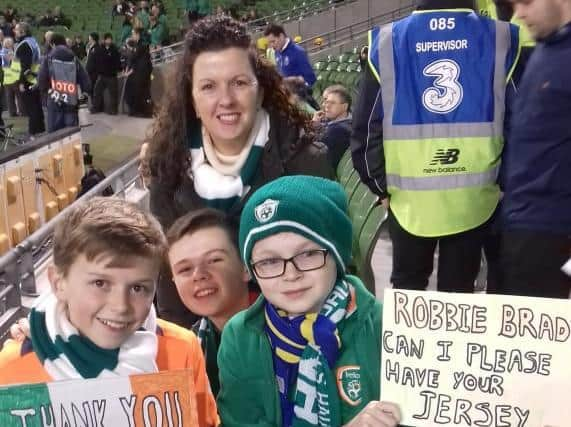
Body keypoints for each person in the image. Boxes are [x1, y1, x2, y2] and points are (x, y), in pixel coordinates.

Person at [143, 16, 332, 327]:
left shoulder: (305, 162)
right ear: (191, 98)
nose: (226, 100)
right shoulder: (168, 170)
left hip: (295, 343)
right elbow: (169, 285)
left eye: (239, 83)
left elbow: (336, 270)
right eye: (208, 87)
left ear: (260, 91)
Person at [0, 197, 219, 427]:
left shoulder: (182, 348)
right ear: (58, 283)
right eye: (100, 283)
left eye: (138, 288)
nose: (120, 306)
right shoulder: (11, 369)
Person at [350, 0, 520, 292]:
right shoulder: (502, 37)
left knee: (408, 292)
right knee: (458, 292)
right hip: (476, 201)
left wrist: (380, 186)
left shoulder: (387, 41)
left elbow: (365, 129)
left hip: (408, 203)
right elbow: (518, 125)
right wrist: (503, 183)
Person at [217, 175, 401, 427]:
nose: (291, 274)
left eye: (308, 254)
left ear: (336, 255)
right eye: (269, 262)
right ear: (252, 270)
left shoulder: (384, 324)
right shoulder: (240, 336)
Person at [498, 0, 571, 298]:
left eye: (526, 1)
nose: (519, 14)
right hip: (526, 233)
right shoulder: (546, 49)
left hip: (554, 234)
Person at [167, 208, 258, 396]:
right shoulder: (187, 348)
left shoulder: (289, 332)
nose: (198, 275)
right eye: (184, 269)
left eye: (214, 260)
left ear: (246, 268)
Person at [38, 33, 91, 132]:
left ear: (52, 44)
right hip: (71, 99)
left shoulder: (48, 58)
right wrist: (85, 93)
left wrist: (47, 93)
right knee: (71, 131)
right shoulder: (74, 58)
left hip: (54, 98)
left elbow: (41, 80)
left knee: (54, 132)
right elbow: (85, 78)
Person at [12, 22, 45, 136]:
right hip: (35, 77)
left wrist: (21, 82)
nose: (14, 31)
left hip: (27, 79)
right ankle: (40, 128)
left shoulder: (24, 44)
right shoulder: (33, 42)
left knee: (31, 106)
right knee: (36, 104)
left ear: (23, 31)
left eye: (16, 29)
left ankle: (33, 130)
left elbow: (24, 65)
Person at [264, 23, 316, 88]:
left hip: (300, 95)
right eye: (269, 43)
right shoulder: (277, 52)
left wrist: (293, 80)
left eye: (273, 41)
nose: (271, 45)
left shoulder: (298, 52)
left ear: (281, 36)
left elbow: (311, 79)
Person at [313, 84, 352, 168]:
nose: (327, 106)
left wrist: (314, 125)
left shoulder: (339, 130)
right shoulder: (339, 123)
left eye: (332, 103)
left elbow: (313, 148)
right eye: (326, 102)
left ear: (345, 106)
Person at [90, 33, 121, 115]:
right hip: (102, 75)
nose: (108, 40)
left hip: (111, 76)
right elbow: (97, 60)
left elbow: (117, 62)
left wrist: (117, 70)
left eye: (110, 39)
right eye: (107, 39)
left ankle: (113, 110)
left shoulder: (115, 49)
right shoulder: (100, 49)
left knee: (113, 94)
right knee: (97, 92)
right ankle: (95, 108)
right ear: (104, 40)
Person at [124, 28, 153, 117]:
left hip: (142, 73)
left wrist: (128, 72)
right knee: (137, 92)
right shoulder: (137, 45)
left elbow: (134, 58)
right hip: (139, 73)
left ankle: (145, 112)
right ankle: (137, 111)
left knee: (143, 93)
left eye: (133, 34)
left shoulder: (142, 45)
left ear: (138, 34)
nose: (132, 36)